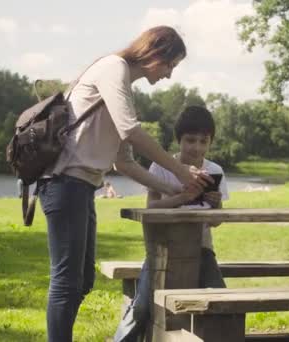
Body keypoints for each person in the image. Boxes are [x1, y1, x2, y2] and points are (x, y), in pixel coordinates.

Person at [37, 26, 211, 342]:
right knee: (66, 282)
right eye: (171, 65)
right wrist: (181, 170)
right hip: (64, 184)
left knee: (83, 281)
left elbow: (123, 162)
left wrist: (176, 188)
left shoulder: (124, 88)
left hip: (81, 187)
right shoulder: (112, 68)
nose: (170, 75)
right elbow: (130, 131)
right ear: (156, 53)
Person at [114, 106, 229, 342]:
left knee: (222, 302)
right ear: (179, 140)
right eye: (190, 140)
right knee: (143, 307)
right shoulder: (161, 167)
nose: (196, 147)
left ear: (210, 142)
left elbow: (216, 222)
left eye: (203, 141)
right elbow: (150, 210)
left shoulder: (215, 171)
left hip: (202, 250)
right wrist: (181, 199)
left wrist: (216, 204)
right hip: (162, 251)